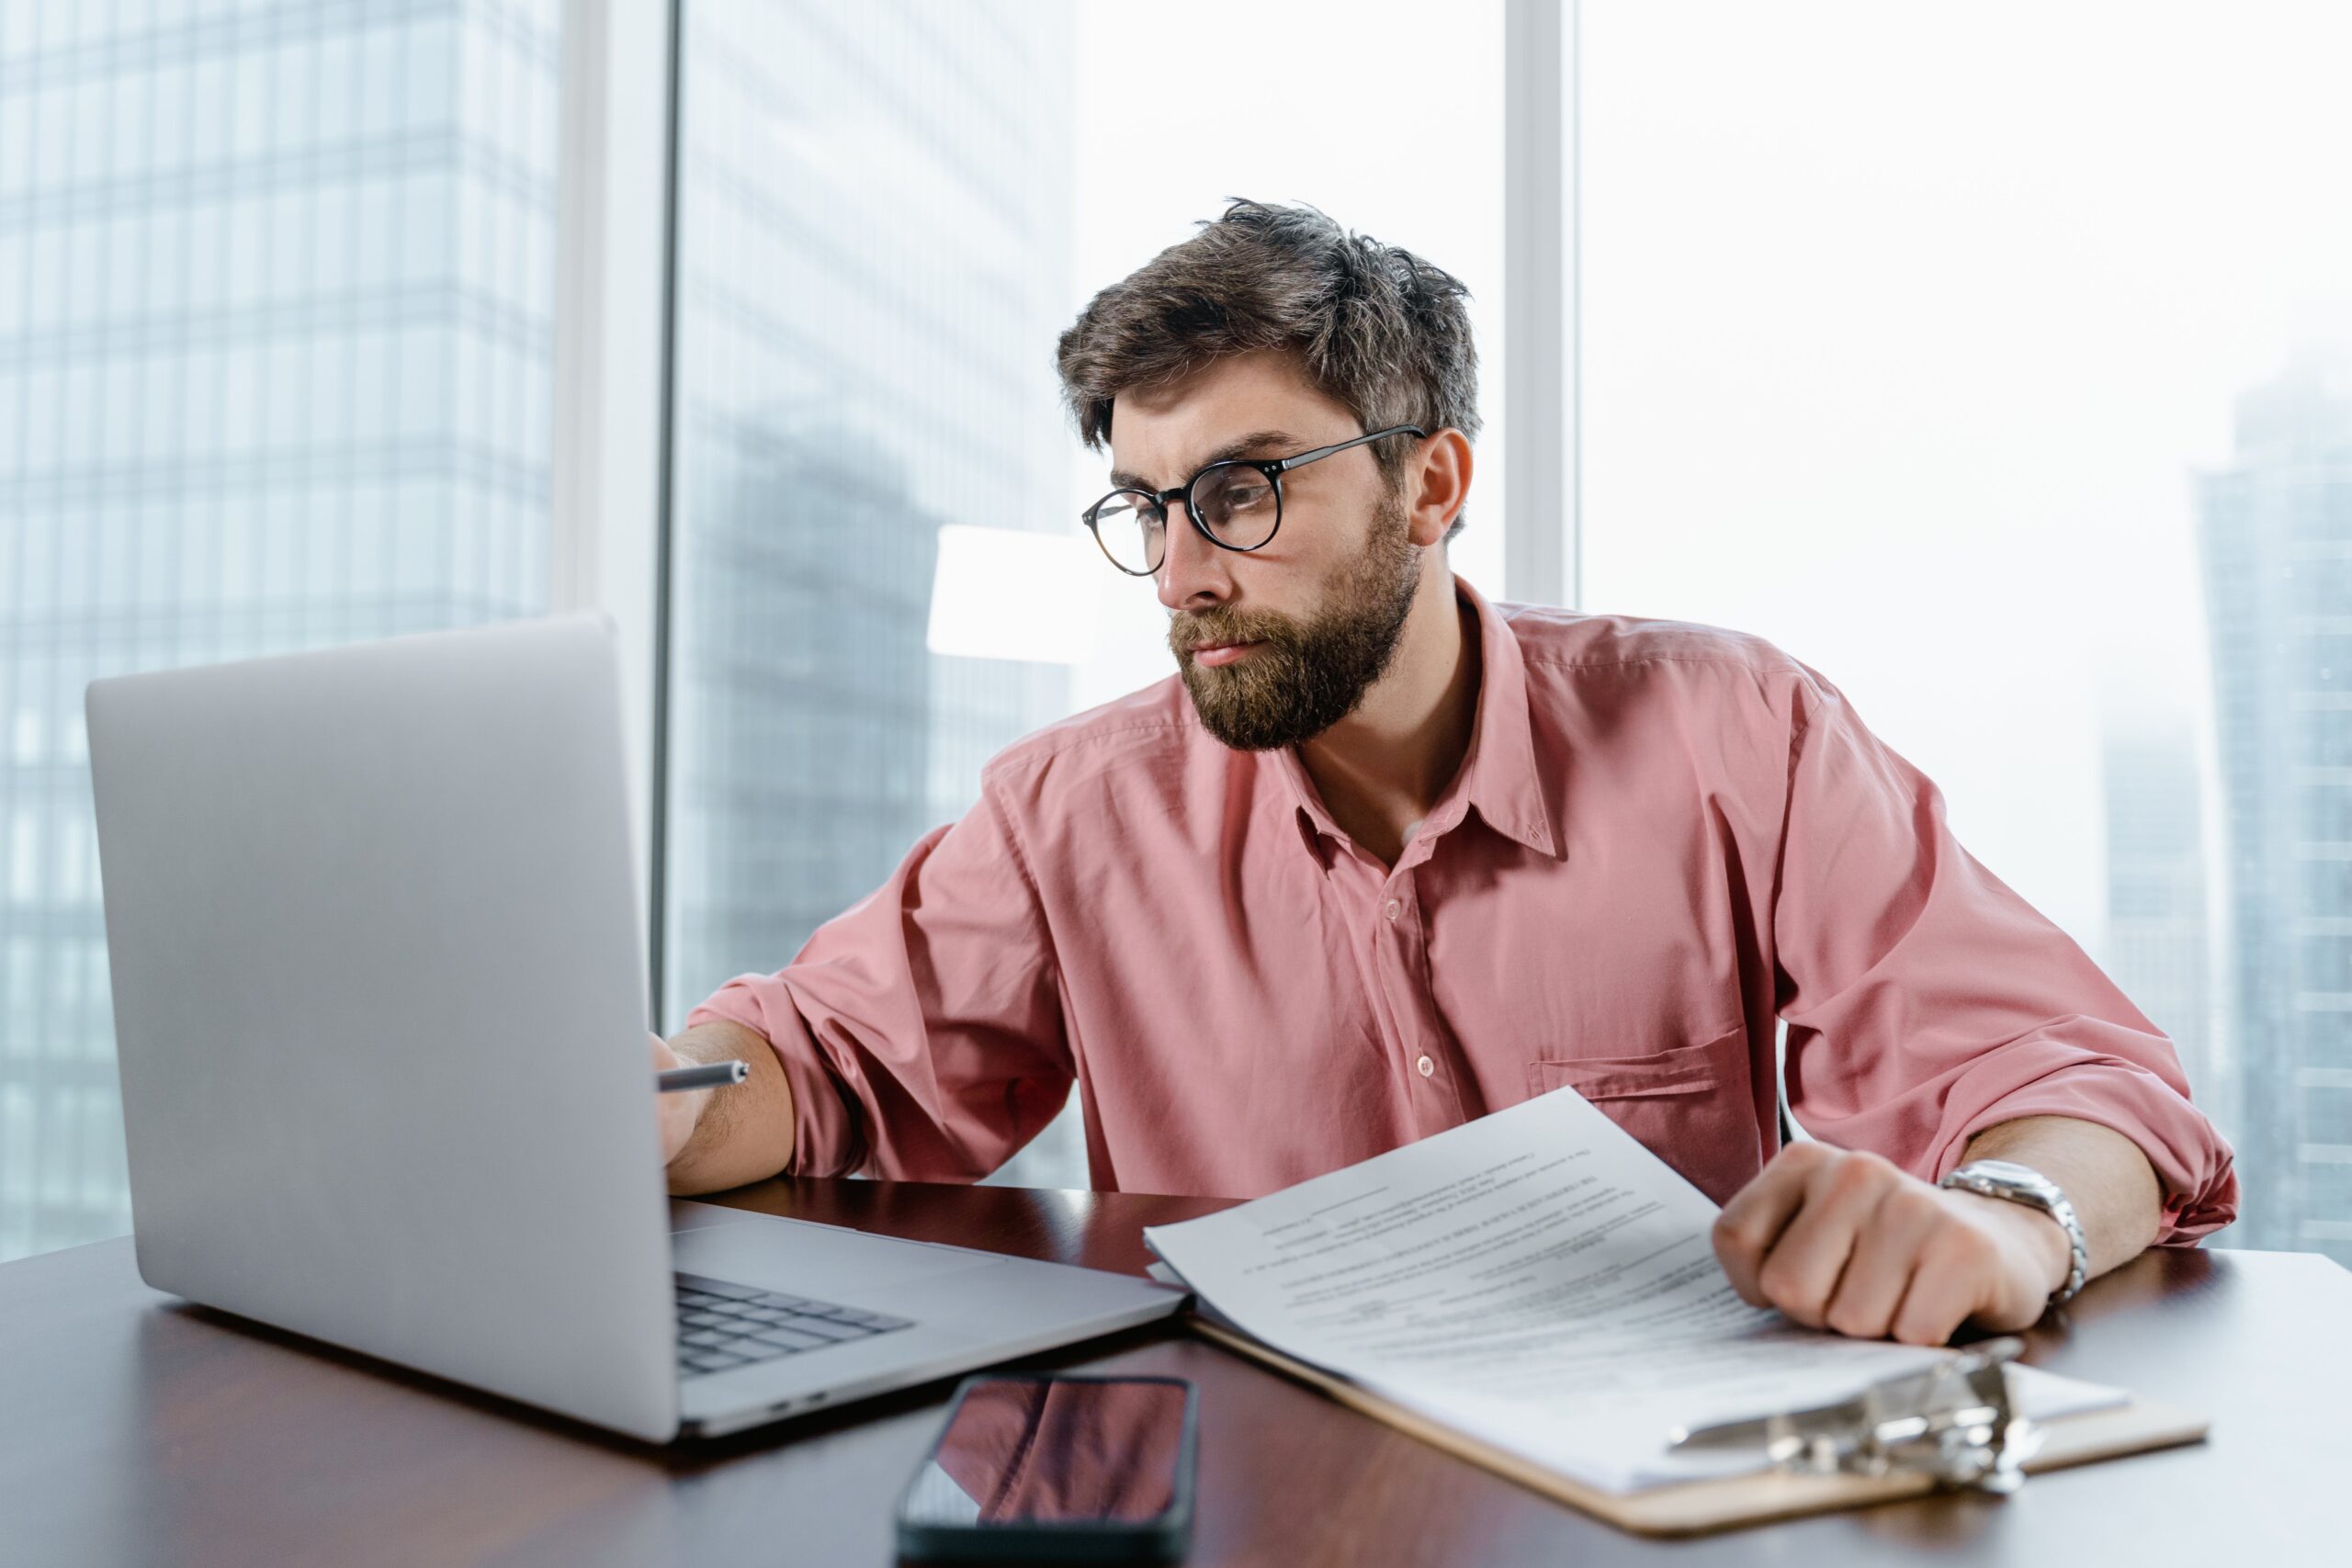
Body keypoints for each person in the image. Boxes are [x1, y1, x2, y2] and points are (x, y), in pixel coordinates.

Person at [652, 200, 2235, 1347]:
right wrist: (637, 1101)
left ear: (1431, 483)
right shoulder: (1074, 811)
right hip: (1255, 1487)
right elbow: (818, 1064)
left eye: (1242, 489)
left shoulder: (1733, 735)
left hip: (1643, 1500)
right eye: (1146, 506)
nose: (1180, 571)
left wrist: (2009, 1223)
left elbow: (2072, 1080)